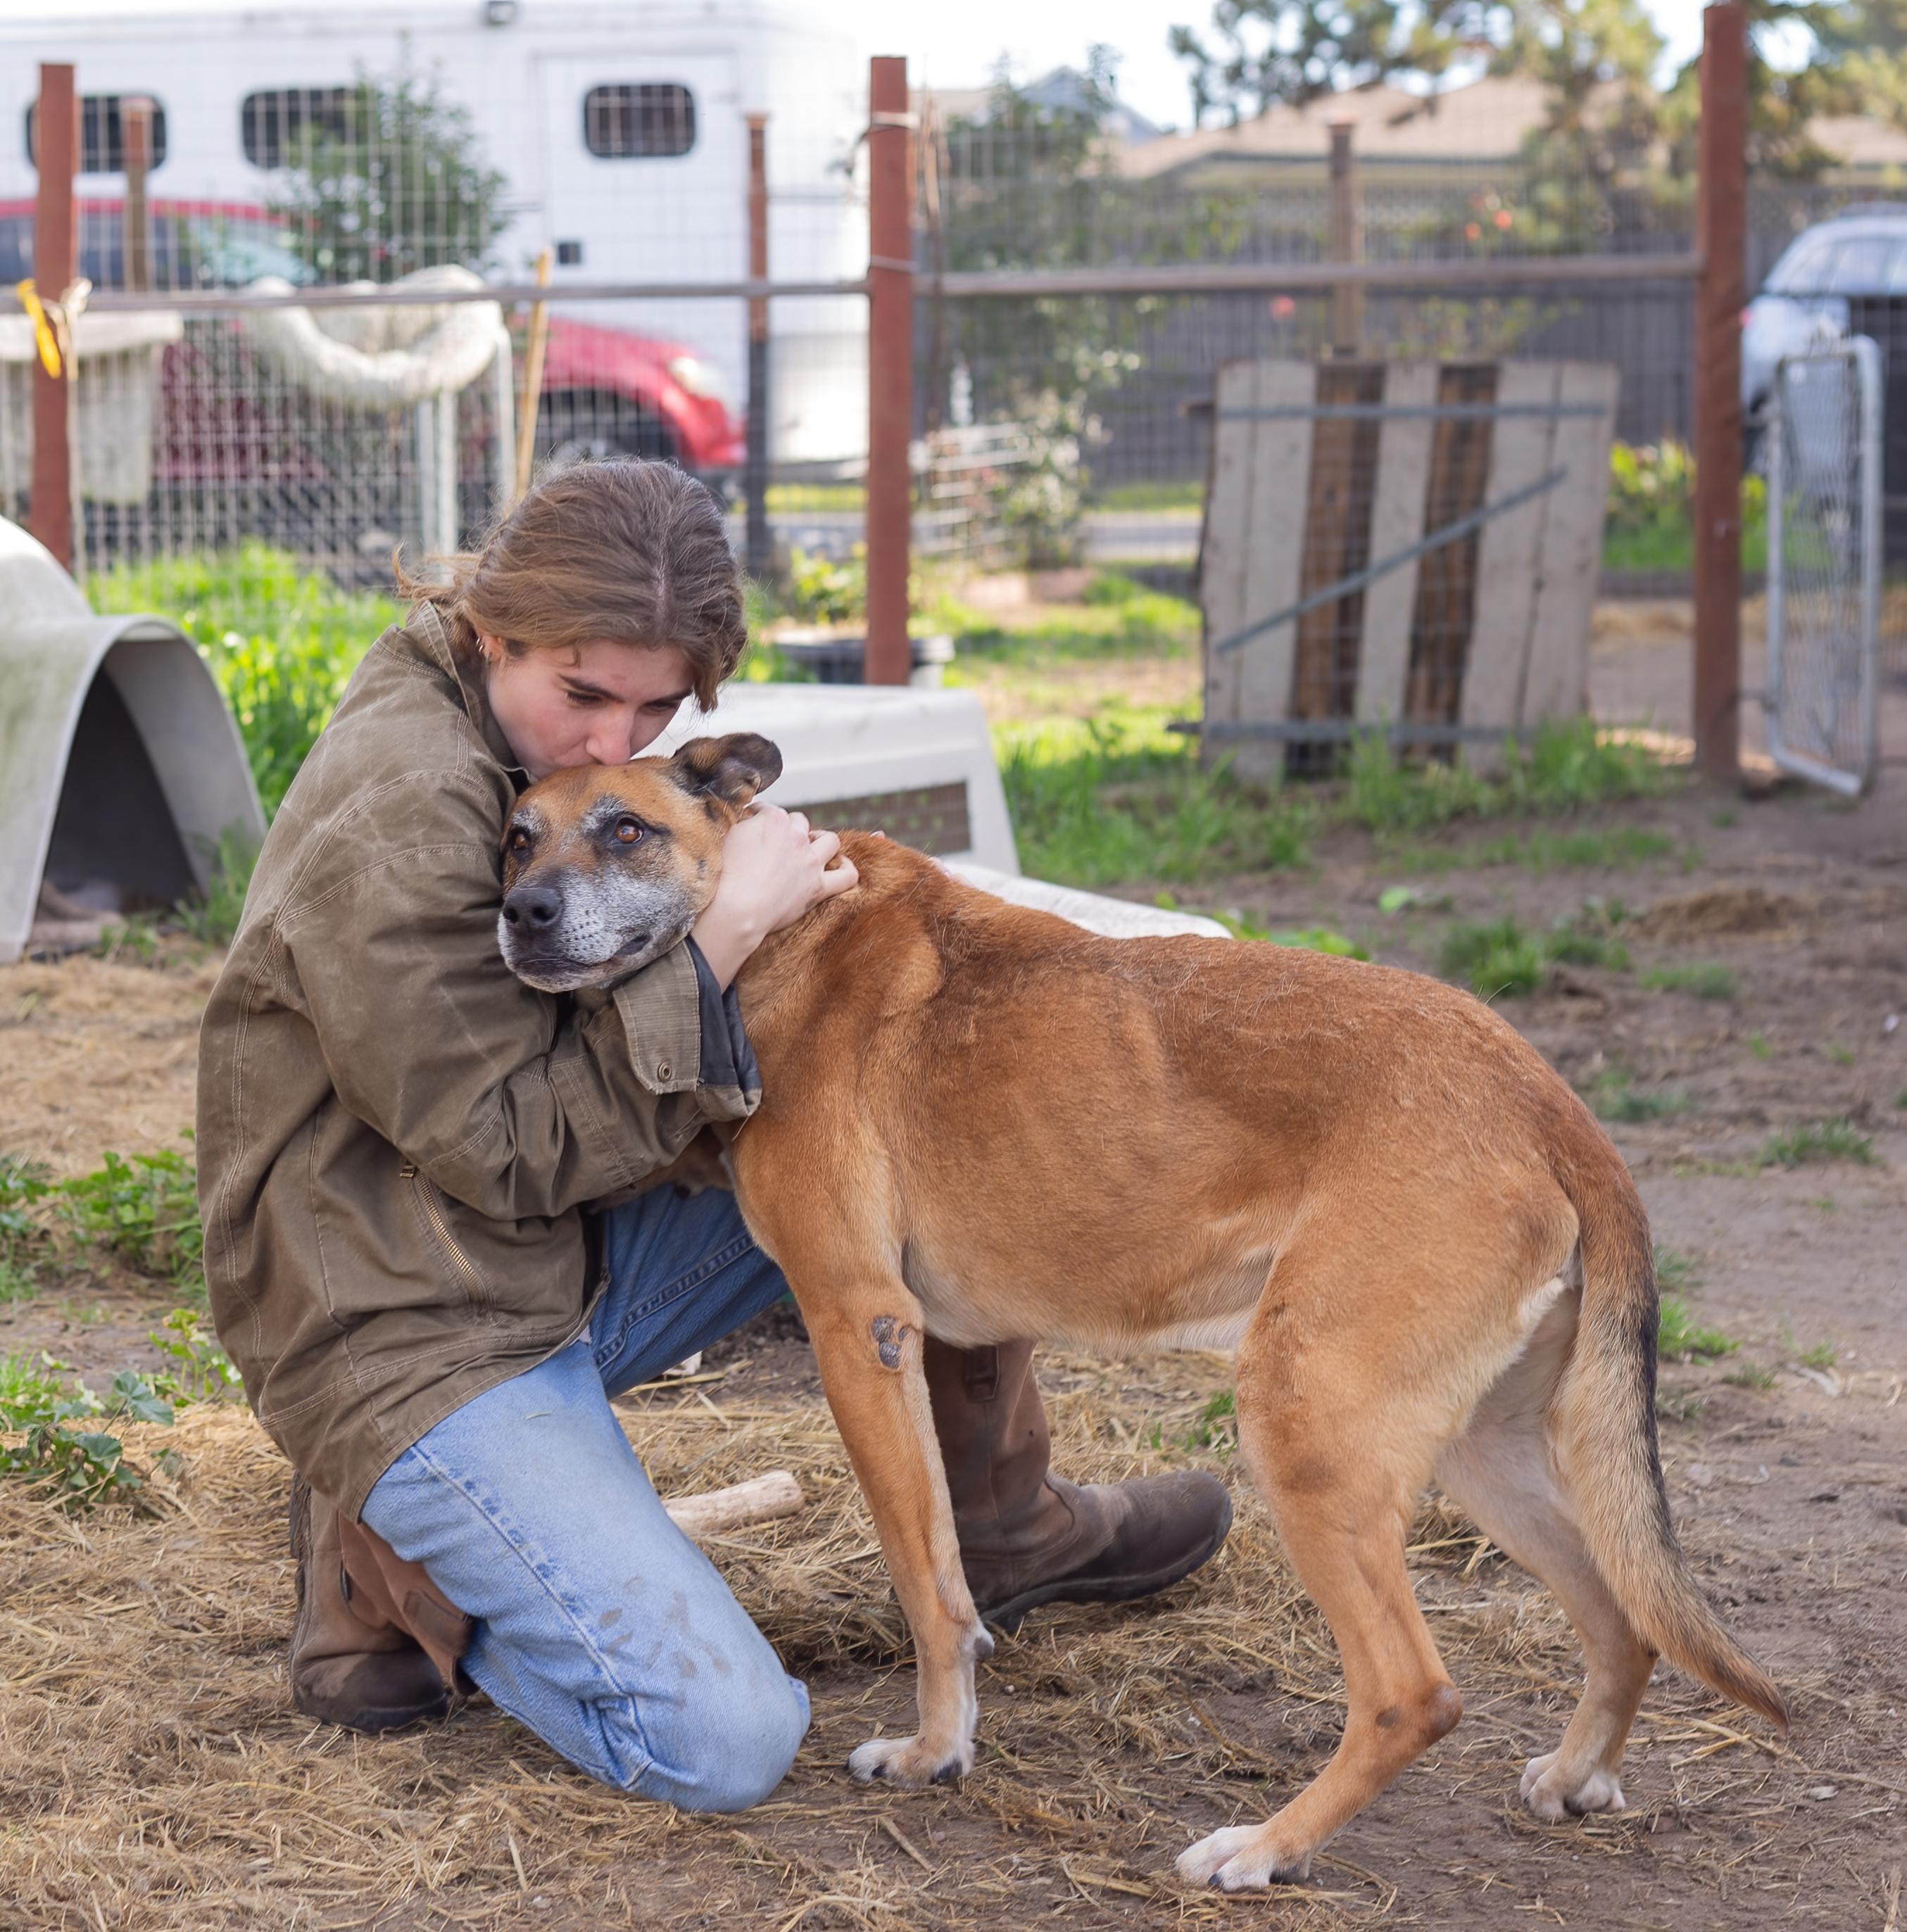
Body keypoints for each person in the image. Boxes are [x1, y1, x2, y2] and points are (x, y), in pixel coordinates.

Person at [196, 460, 1232, 1812]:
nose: (606, 736)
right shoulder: (399, 811)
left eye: (654, 705)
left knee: (939, 1125)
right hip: (402, 1306)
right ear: (493, 631)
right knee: (721, 1742)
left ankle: (999, 1525)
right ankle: (391, 1528)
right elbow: (505, 1147)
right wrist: (727, 933)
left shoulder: (546, 755)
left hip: (548, 1254)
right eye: (583, 695)